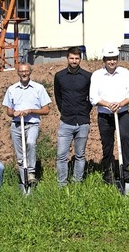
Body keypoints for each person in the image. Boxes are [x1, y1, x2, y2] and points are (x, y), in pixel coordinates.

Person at [89, 44, 129, 185]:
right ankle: (108, 172)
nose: (112, 62)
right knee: (107, 144)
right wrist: (108, 104)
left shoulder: (125, 73)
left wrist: (121, 104)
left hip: (122, 113)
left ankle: (125, 171)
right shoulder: (97, 75)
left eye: (114, 59)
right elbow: (93, 98)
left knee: (125, 140)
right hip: (105, 115)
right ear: (104, 60)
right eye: (109, 59)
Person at [3, 63, 51, 193]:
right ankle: (24, 184)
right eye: (21, 71)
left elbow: (46, 110)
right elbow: (8, 111)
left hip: (32, 124)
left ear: (30, 72)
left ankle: (31, 173)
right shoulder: (12, 89)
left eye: (26, 71)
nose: (24, 74)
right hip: (17, 125)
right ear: (18, 73)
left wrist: (31, 111)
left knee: (30, 143)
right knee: (20, 156)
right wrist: (14, 113)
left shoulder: (38, 88)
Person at [53, 47, 92, 186]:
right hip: (66, 121)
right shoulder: (59, 76)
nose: (74, 61)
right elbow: (58, 97)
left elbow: (91, 98)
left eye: (76, 58)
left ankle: (77, 183)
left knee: (80, 155)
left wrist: (85, 111)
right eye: (71, 58)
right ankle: (62, 184)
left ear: (80, 59)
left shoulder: (88, 76)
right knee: (61, 156)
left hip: (82, 121)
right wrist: (64, 111)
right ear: (67, 58)